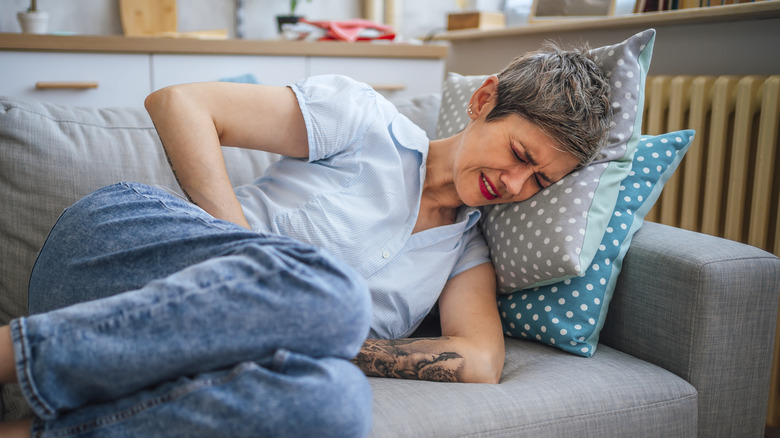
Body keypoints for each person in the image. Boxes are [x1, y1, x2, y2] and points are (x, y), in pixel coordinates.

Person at [0, 41, 611, 438]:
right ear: (484, 100)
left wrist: (318, 338)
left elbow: (479, 362)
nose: (514, 183)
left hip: (194, 352)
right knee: (333, 293)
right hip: (122, 252)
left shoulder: (466, 252)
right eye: (520, 154)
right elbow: (180, 102)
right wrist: (247, 253)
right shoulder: (367, 121)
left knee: (336, 407)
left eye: (540, 182)